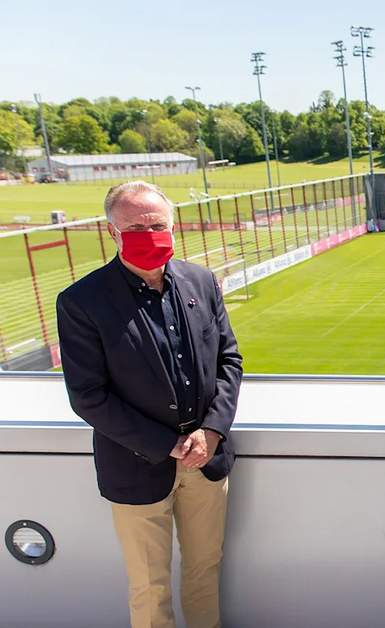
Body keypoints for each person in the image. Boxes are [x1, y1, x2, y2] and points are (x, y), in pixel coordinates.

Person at [56, 180, 242, 628]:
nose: (149, 233)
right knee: (149, 585)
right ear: (112, 233)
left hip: (205, 460)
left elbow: (228, 361)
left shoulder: (201, 281)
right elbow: (88, 396)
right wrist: (167, 443)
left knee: (204, 571)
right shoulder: (82, 301)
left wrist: (211, 432)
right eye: (135, 226)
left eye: (157, 224)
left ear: (173, 227)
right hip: (136, 465)